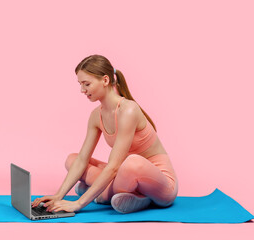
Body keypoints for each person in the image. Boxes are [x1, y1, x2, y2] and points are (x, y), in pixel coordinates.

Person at [32, 54, 178, 214]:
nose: (82, 90)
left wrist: (79, 203)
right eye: (80, 84)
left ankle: (105, 196)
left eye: (86, 84)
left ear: (106, 80)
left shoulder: (128, 110)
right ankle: (126, 196)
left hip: (159, 183)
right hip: (124, 175)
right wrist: (58, 196)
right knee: (72, 160)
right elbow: (82, 159)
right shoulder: (96, 115)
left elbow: (114, 166)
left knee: (132, 162)